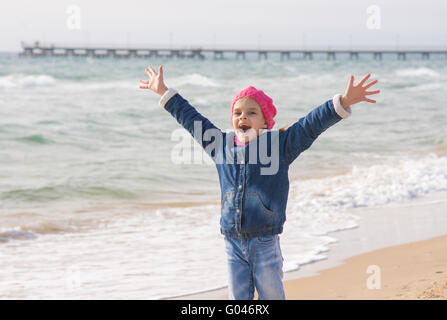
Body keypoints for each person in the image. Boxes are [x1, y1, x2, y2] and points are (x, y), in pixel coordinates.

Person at [139, 65, 380, 300]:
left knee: (271, 295)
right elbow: (192, 120)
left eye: (251, 112)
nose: (243, 116)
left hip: (265, 241)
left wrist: (343, 102)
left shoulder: (279, 146)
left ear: (265, 121)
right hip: (232, 240)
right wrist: (165, 93)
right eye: (237, 113)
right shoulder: (220, 145)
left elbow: (310, 126)